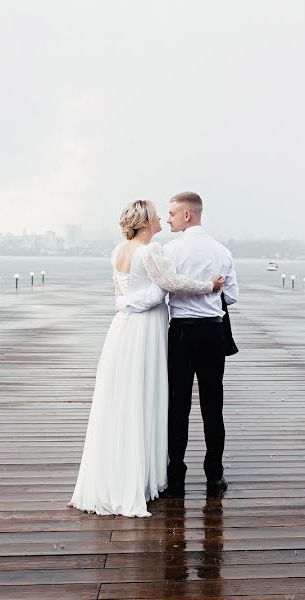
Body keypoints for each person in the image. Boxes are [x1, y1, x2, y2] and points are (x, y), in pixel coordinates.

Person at [68, 200, 223, 518]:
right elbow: (171, 285)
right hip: (146, 329)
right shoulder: (149, 251)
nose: (161, 220)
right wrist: (210, 285)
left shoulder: (118, 250)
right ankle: (142, 477)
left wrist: (124, 304)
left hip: (123, 328)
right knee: (143, 396)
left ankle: (120, 473)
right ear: (144, 222)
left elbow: (121, 293)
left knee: (123, 397)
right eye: (155, 216)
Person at [117, 191, 239, 498]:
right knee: (213, 406)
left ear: (188, 215)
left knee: (178, 406)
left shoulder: (169, 250)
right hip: (212, 332)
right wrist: (210, 292)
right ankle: (214, 475)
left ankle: (176, 475)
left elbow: (166, 288)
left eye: (171, 213)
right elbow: (232, 295)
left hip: (181, 333)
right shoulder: (222, 251)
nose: (167, 218)